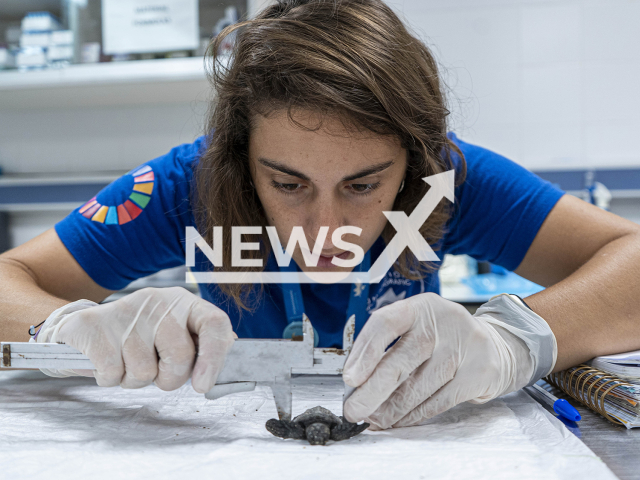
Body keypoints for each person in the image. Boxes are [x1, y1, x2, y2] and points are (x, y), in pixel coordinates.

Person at [1, 0, 639, 430]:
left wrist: (514, 342)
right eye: (288, 183)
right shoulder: (185, 186)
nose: (324, 224)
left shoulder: (447, 179)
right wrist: (66, 327)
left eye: (364, 184)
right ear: (241, 160)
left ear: (413, 165)